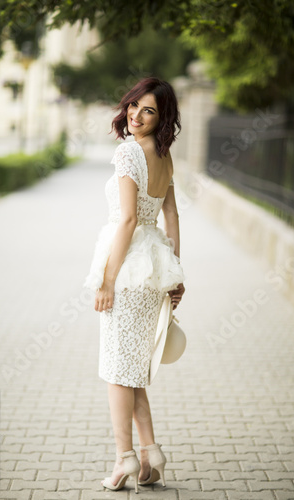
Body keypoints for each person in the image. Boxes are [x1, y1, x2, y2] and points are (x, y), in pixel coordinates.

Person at [84, 77, 185, 493]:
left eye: (149, 111)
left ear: (163, 119)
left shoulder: (128, 152)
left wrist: (107, 280)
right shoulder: (163, 156)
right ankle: (151, 452)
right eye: (134, 106)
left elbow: (127, 220)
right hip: (153, 267)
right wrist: (176, 272)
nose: (136, 116)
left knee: (116, 370)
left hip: (127, 271)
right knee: (131, 369)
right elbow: (171, 219)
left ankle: (124, 459)